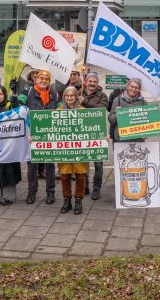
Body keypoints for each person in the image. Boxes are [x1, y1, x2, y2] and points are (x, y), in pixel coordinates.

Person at [24, 70, 58, 205]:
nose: (43, 81)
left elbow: (60, 112)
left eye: (46, 79)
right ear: (36, 79)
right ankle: (31, 192)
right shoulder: (28, 92)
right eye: (41, 78)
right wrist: (14, 95)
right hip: (32, 136)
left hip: (49, 136)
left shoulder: (55, 95)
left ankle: (50, 192)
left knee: (50, 166)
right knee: (32, 167)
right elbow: (19, 109)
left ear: (49, 81)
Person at [0, 86, 22, 205]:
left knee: (9, 170)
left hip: (9, 144)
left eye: (1, 94)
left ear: (5, 95)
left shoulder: (10, 105)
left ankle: (8, 196)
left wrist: (15, 96)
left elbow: (18, 110)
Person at [56, 86, 88, 214]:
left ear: (76, 97)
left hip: (79, 149)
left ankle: (78, 200)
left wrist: (103, 137)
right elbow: (48, 130)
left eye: (72, 95)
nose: (69, 98)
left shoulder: (83, 111)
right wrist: (35, 138)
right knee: (64, 176)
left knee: (80, 175)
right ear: (64, 97)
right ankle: (67, 200)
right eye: (67, 96)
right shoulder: (57, 112)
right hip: (64, 149)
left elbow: (93, 127)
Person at [79, 72, 108, 200]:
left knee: (98, 164)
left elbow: (101, 109)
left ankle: (96, 188)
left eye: (94, 82)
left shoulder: (103, 96)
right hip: (81, 131)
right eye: (90, 81)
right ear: (86, 82)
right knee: (83, 161)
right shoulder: (79, 93)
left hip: (97, 132)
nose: (92, 84)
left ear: (97, 83)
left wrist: (85, 102)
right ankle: (84, 186)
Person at [108, 77, 147, 142]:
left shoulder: (143, 102)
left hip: (137, 139)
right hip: (120, 139)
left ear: (139, 89)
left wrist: (147, 132)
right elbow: (110, 119)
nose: (133, 89)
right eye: (132, 86)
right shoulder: (117, 100)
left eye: (136, 88)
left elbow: (148, 121)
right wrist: (117, 114)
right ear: (128, 87)